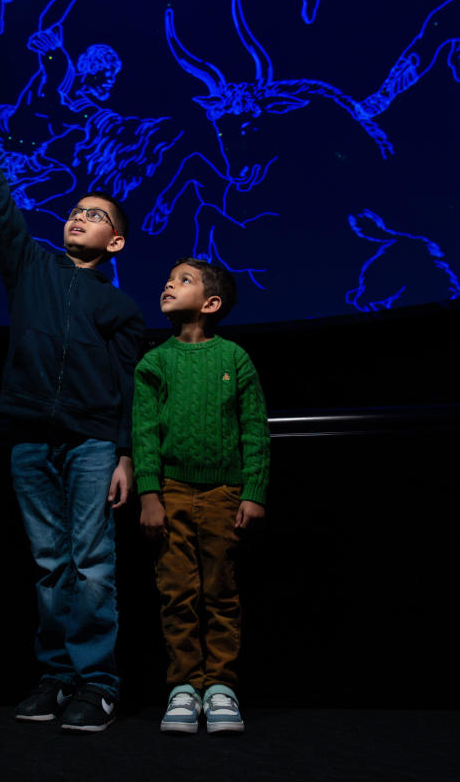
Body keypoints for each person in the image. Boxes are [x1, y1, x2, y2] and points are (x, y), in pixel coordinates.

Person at [0, 59, 145, 733]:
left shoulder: (121, 307)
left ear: (113, 241)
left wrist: (123, 455)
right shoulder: (31, 266)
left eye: (94, 215)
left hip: (93, 441)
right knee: (48, 564)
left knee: (91, 563)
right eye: (75, 210)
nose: (79, 217)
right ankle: (55, 675)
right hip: (31, 436)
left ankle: (97, 683)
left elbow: (127, 388)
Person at [132, 257, 270, 734]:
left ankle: (221, 687)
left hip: (223, 494)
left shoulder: (235, 358)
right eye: (168, 278)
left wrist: (253, 492)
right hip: (170, 492)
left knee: (220, 589)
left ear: (210, 303)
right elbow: (144, 434)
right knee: (177, 592)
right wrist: (149, 495)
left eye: (183, 280)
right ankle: (184, 687)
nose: (170, 284)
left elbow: (254, 429)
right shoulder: (155, 362)